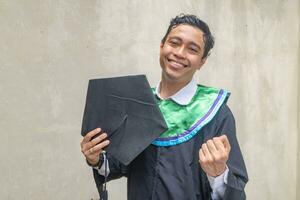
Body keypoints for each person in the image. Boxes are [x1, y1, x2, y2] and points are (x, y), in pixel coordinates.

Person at [80, 14, 248, 200]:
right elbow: (121, 163)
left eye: (192, 49)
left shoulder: (215, 113)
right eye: (174, 43)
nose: (179, 53)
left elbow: (236, 191)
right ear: (162, 46)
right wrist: (95, 158)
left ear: (202, 61)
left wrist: (218, 174)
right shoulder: (141, 103)